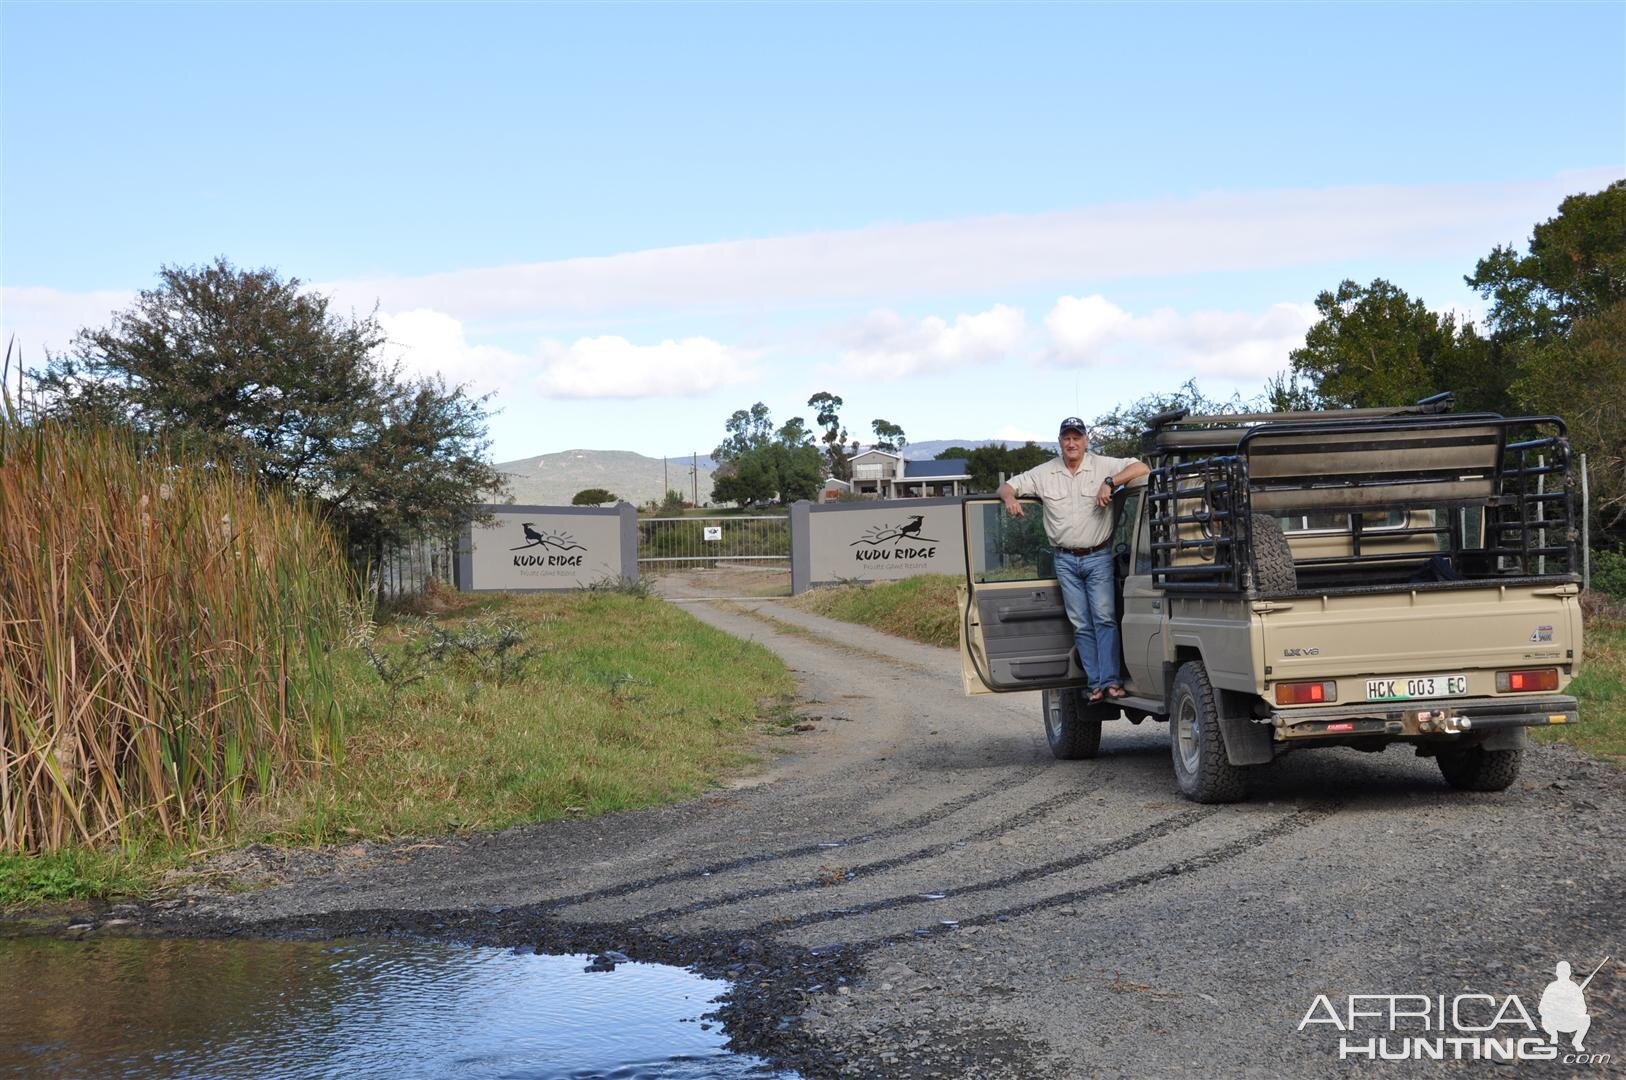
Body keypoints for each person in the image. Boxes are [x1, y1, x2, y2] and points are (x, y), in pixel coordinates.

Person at [997, 417, 1149, 702]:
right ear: (1059, 442)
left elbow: (1141, 467)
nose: (1071, 443)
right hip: (1064, 560)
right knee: (1081, 623)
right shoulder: (1045, 473)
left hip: (1098, 556)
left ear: (1086, 440)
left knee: (1104, 619)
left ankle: (1111, 681)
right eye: (1066, 438)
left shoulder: (1103, 465)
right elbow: (1007, 487)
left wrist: (1110, 482)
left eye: (1076, 437)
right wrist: (1009, 500)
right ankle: (1095, 684)